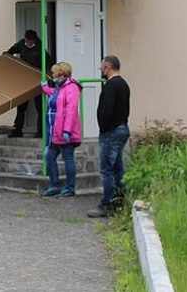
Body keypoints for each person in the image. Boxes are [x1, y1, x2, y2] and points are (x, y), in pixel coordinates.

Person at [87, 55, 131, 218]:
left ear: (108, 68)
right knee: (117, 167)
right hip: (122, 128)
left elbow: (108, 110)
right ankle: (120, 200)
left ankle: (107, 204)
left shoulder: (111, 86)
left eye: (102, 68)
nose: (101, 71)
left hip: (111, 131)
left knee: (106, 169)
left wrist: (103, 127)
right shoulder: (124, 84)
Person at [40, 62, 82, 197]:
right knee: (49, 156)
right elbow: (55, 96)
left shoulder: (72, 88)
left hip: (64, 132)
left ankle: (70, 188)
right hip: (55, 132)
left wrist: (67, 131)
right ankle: (54, 185)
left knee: (67, 158)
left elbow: (71, 111)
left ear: (62, 74)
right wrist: (45, 88)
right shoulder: (61, 87)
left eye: (54, 74)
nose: (53, 77)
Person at [5, 29, 53, 138]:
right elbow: (12, 51)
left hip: (37, 81)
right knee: (21, 106)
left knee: (39, 107)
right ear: (25, 39)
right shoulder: (21, 44)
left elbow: (49, 62)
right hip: (24, 81)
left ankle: (41, 130)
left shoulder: (40, 48)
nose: (29, 43)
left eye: (31, 42)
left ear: (34, 40)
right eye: (28, 41)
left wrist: (47, 75)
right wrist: (6, 55)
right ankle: (17, 129)